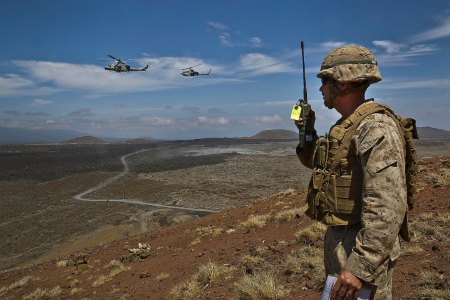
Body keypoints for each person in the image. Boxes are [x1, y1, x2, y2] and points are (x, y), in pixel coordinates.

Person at [295, 45, 408, 300]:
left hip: (359, 247)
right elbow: (319, 165)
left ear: (343, 84)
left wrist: (361, 267)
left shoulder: (375, 128)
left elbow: (388, 205)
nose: (321, 88)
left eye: (325, 81)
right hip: (343, 243)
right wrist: (307, 132)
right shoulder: (346, 126)